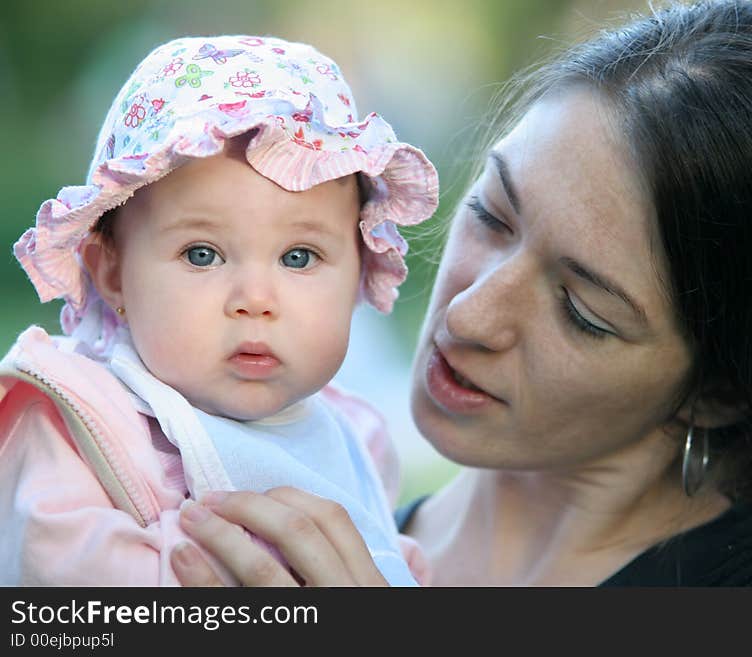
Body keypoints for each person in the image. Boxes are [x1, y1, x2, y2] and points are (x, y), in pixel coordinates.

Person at [165, 0, 752, 587]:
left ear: (719, 390)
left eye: (582, 312)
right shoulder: (327, 527)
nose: (470, 315)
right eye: (491, 214)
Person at [0, 35, 438, 585]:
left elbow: (392, 564)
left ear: (359, 269)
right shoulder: (76, 414)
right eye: (201, 254)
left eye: (298, 257)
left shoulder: (355, 439)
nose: (255, 300)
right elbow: (52, 574)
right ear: (113, 272)